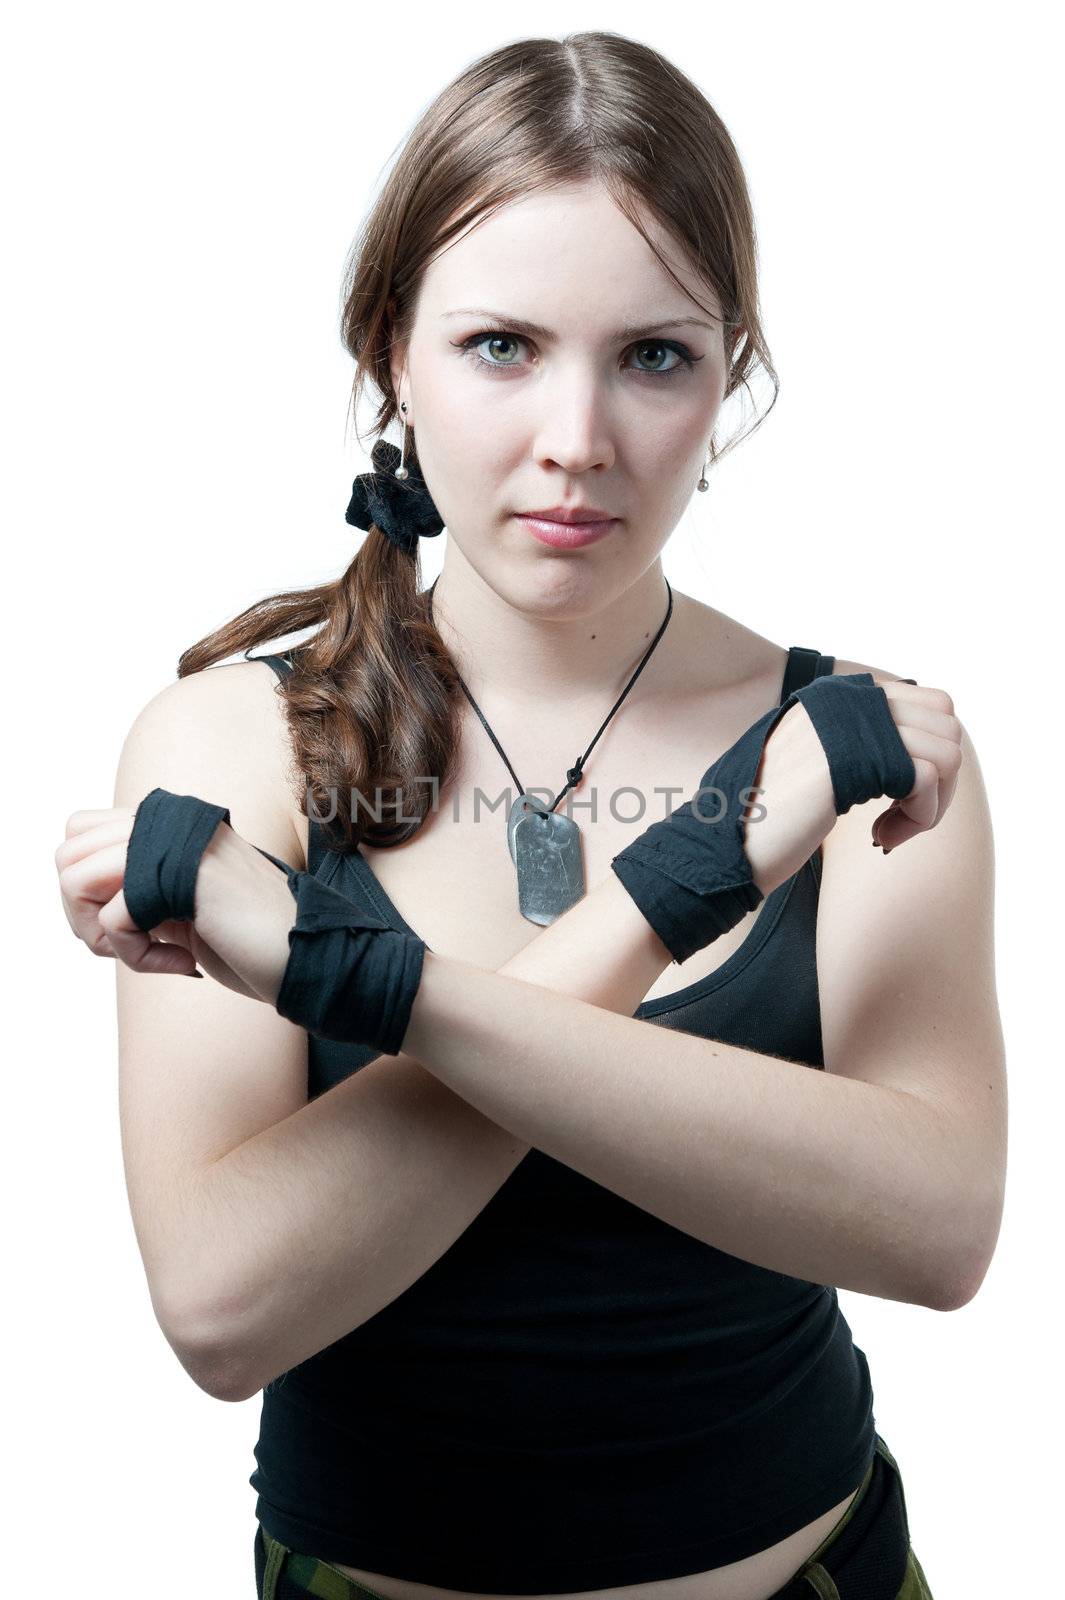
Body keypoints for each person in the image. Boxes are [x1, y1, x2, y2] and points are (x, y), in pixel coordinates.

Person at [55, 30, 1004, 1600]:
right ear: (391, 357)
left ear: (727, 379)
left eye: (653, 355)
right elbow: (225, 1312)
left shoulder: (867, 753)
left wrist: (344, 974)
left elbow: (936, 1234)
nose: (578, 438)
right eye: (502, 345)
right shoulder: (235, 745)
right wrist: (689, 877)